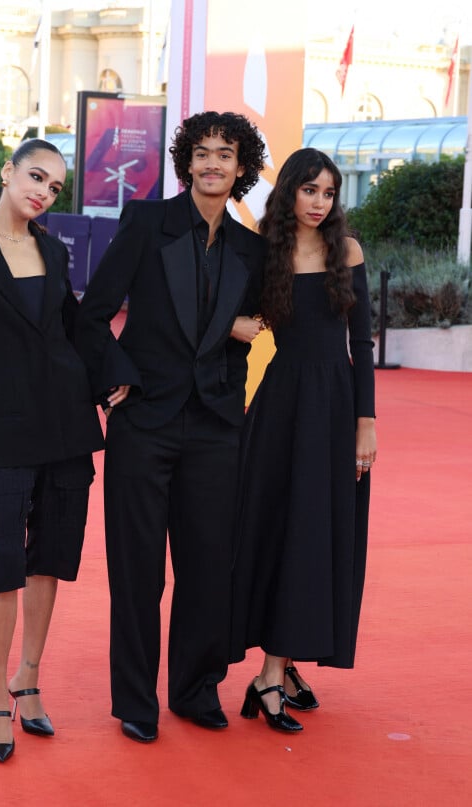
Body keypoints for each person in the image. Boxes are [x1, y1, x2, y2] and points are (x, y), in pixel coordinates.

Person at [77, 111, 267, 743]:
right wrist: (115, 378)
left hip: (217, 424)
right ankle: (135, 700)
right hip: (145, 422)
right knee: (137, 572)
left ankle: (194, 689)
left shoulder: (252, 249)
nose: (213, 164)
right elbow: (92, 315)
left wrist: (248, 328)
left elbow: (259, 322)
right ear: (187, 161)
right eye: (203, 153)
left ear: (242, 168)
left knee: (209, 567)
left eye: (226, 155)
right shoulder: (145, 224)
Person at [0, 139, 104, 762]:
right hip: (2, 430)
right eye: (36, 176)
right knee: (4, 561)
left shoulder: (54, 250)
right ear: (7, 172)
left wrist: (116, 382)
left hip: (67, 426)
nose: (43, 191)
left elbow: (74, 334)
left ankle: (28, 676)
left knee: (50, 559)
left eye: (55, 187)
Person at [230, 148, 377, 733]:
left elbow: (362, 344)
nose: (320, 202)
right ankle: (270, 672)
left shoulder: (349, 250)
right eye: (309, 190)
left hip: (336, 410)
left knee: (317, 535)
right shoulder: (264, 253)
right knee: (276, 532)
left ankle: (279, 667)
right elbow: (229, 323)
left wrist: (366, 423)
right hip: (280, 407)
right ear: (288, 190)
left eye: (329, 193)